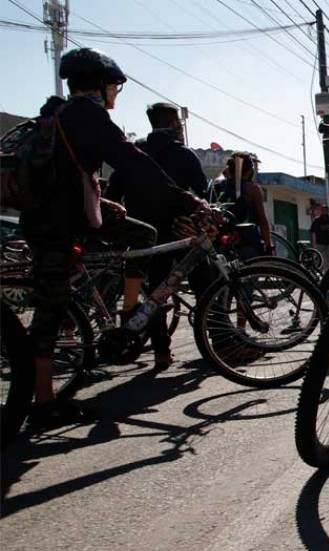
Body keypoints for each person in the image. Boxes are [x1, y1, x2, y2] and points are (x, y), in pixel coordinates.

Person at [20, 48, 207, 423]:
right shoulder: (86, 115)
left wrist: (104, 200)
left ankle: (128, 307)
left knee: (143, 234)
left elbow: (68, 171)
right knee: (50, 309)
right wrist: (187, 199)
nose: (115, 96)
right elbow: (132, 161)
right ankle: (43, 402)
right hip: (54, 223)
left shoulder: (60, 112)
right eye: (114, 88)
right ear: (101, 85)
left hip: (68, 212)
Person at [105, 101, 209, 368]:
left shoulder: (135, 154)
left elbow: (113, 194)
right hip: (181, 230)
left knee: (156, 295)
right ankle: (221, 341)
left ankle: (161, 352)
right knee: (206, 284)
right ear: (174, 124)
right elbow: (201, 193)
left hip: (145, 235)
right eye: (179, 123)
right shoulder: (183, 155)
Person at [208, 151, 272, 259]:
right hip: (248, 243)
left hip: (223, 242)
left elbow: (222, 174)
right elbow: (263, 221)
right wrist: (268, 246)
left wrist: (230, 170)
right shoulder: (253, 189)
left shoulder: (219, 185)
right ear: (250, 171)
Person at [308, 200, 329, 267]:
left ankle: (328, 272)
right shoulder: (317, 220)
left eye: (325, 210)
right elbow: (312, 231)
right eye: (323, 210)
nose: (324, 211)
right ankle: (315, 270)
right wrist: (321, 229)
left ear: (328, 210)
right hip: (320, 242)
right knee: (317, 257)